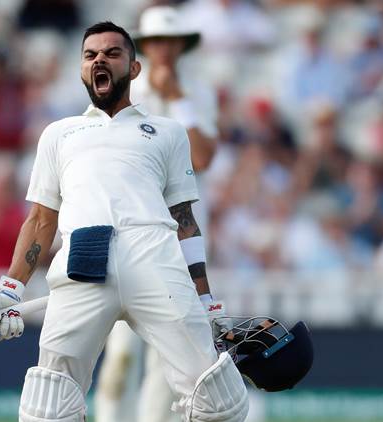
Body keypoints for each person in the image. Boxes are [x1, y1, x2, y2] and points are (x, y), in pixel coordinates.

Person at [0, 21, 248, 422]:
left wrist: (205, 297)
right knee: (47, 409)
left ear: (134, 68)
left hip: (154, 257)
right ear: (81, 70)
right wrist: (10, 290)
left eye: (112, 53)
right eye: (90, 55)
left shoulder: (168, 132)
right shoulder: (59, 134)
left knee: (219, 401)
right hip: (83, 259)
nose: (100, 59)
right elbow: (40, 219)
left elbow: (184, 220)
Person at [95, 7, 223, 422]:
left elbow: (202, 158)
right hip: (128, 231)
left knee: (168, 357)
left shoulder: (197, 91)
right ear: (145, 48)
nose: (163, 50)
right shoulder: (123, 90)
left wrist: (179, 98)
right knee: (121, 352)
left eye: (170, 41)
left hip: (179, 231)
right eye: (156, 42)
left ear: (180, 46)